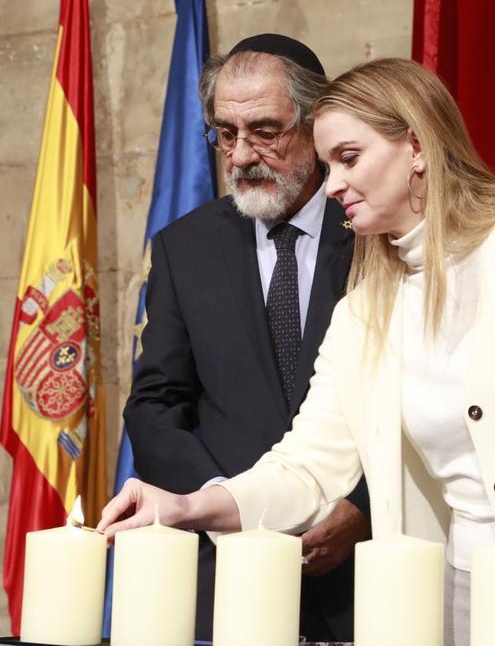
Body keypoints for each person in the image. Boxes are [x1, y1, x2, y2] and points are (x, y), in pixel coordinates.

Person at [104, 57, 495, 646]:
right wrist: (186, 506)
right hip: (459, 595)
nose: (331, 183)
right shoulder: (365, 307)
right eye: (329, 162)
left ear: (415, 145)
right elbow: (306, 464)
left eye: (349, 158)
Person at [123, 34, 370, 642]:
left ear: (317, 126)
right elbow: (155, 405)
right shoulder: (185, 248)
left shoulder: (375, 233)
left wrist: (362, 509)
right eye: (225, 134)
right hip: (230, 571)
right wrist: (223, 504)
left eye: (264, 131)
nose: (239, 157)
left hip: (369, 569)